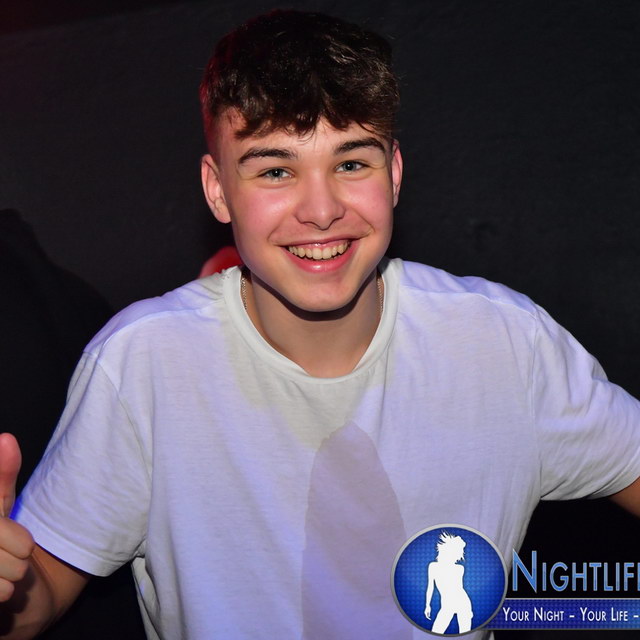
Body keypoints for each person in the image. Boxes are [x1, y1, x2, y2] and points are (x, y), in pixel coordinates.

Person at [0, 9, 639, 639]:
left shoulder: (503, 341)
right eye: (276, 170)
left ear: (393, 174)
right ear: (218, 190)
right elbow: (39, 599)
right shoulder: (145, 361)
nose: (321, 210)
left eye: (351, 163)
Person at [424, 532, 473, 634]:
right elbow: (430, 587)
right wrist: (427, 605)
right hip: (447, 605)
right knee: (436, 631)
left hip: (463, 603)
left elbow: (459, 588)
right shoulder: (433, 566)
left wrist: (469, 610)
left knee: (465, 634)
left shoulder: (459, 568)